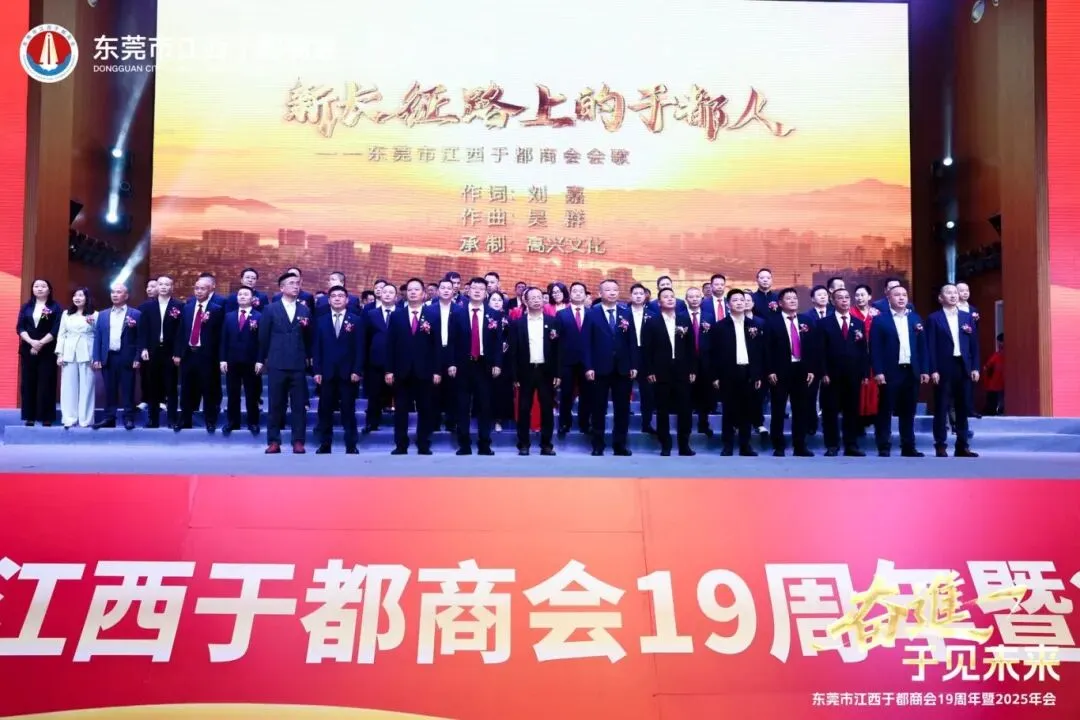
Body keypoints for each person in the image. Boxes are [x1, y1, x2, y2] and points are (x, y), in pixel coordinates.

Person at [870, 285, 928, 457]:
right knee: (885, 410)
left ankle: (908, 446)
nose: (901, 298)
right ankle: (884, 446)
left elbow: (922, 347)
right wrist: (878, 371)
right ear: (889, 298)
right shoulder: (880, 320)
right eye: (897, 295)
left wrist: (925, 370)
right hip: (890, 371)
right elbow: (875, 348)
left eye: (904, 295)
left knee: (908, 411)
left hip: (911, 371)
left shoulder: (915, 319)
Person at [385, 278, 442, 455]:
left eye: (416, 289)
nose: (413, 292)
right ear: (405, 293)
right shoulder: (397, 315)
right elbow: (390, 344)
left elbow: (437, 345)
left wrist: (437, 370)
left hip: (425, 370)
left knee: (426, 408)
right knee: (401, 409)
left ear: (423, 294)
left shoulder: (433, 315)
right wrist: (389, 370)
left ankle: (423, 443)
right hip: (402, 370)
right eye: (410, 290)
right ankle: (401, 444)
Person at [583, 279, 639, 456]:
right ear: (600, 293)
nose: (612, 293)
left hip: (622, 368)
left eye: (615, 289)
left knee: (622, 409)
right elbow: (586, 343)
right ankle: (597, 445)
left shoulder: (626, 312)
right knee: (598, 408)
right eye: (608, 290)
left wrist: (634, 364)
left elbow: (632, 340)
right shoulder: (591, 313)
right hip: (599, 368)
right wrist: (588, 367)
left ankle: (619, 445)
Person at [259, 272, 313, 454]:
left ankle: (298, 441)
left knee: (299, 405)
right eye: (291, 283)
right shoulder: (270, 309)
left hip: (298, 363)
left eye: (297, 283)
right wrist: (261, 359)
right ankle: (274, 441)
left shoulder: (304, 310)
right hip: (277, 362)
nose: (296, 286)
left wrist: (309, 357)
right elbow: (263, 337)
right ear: (282, 288)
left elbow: (308, 337)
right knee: (276, 404)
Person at [927, 283, 980, 457]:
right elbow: (931, 346)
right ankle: (940, 444)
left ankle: (962, 446)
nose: (953, 295)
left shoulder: (967, 317)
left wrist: (975, 367)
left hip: (963, 366)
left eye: (955, 292)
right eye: (949, 293)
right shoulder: (934, 318)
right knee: (941, 407)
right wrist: (933, 369)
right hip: (944, 367)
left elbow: (974, 345)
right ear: (940, 298)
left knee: (963, 407)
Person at [640, 287, 695, 456]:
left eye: (672, 296)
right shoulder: (652, 322)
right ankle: (665, 444)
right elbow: (647, 349)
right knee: (662, 409)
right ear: (659, 302)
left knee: (685, 409)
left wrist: (692, 369)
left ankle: (684, 445)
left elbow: (691, 347)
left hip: (682, 370)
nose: (670, 299)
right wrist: (649, 370)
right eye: (666, 297)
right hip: (660, 371)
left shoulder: (684, 319)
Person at [763, 287, 817, 457]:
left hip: (801, 370)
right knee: (778, 409)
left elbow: (812, 348)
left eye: (795, 298)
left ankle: (800, 446)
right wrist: (770, 370)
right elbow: (766, 349)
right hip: (780, 371)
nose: (793, 301)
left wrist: (811, 369)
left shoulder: (806, 320)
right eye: (789, 298)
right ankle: (778, 446)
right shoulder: (772, 322)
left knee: (801, 409)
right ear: (780, 303)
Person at [454, 277, 504, 455]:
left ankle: (484, 444)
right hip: (463, 365)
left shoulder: (494, 314)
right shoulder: (457, 313)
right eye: (474, 288)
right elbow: (452, 341)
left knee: (485, 405)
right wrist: (452, 363)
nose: (477, 291)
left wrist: (497, 363)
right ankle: (464, 444)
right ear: (468, 291)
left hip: (485, 365)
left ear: (485, 293)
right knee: (462, 405)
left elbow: (498, 342)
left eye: (481, 289)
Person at [312, 285, 364, 454]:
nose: (337, 298)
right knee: (325, 409)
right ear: (329, 300)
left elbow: (360, 348)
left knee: (348, 409)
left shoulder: (356, 320)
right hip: (326, 372)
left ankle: (351, 444)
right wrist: (317, 371)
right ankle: (325, 444)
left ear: (347, 300)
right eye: (333, 296)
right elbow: (316, 348)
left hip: (348, 373)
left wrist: (357, 370)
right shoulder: (321, 321)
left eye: (340, 295)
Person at [509, 287, 560, 455]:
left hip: (546, 371)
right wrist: (514, 375)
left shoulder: (553, 321)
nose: (537, 300)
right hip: (526, 371)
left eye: (539, 297)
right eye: (533, 298)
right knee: (524, 409)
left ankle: (546, 445)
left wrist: (558, 373)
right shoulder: (518, 323)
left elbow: (558, 350)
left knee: (547, 409)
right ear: (526, 301)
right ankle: (523, 444)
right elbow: (513, 352)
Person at [711, 289, 763, 456]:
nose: (740, 303)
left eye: (742, 299)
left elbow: (759, 353)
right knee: (729, 410)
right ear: (728, 304)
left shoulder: (754, 325)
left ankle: (745, 446)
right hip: (728, 373)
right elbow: (713, 353)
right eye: (735, 300)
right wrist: (715, 376)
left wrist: (757, 374)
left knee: (747, 410)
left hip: (748, 372)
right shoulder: (720, 326)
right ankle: (728, 445)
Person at [818, 288, 868, 456]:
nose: (844, 300)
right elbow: (820, 351)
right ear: (833, 301)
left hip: (853, 374)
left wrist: (864, 373)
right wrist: (823, 372)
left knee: (851, 410)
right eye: (840, 298)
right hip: (831, 375)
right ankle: (832, 445)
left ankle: (851, 445)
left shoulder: (858, 323)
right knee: (830, 410)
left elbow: (863, 350)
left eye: (847, 297)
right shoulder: (824, 323)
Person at [173, 274, 224, 433]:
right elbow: (181, 332)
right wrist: (177, 353)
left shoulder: (216, 309)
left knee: (208, 389)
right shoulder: (187, 307)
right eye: (196, 288)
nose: (199, 291)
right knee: (187, 388)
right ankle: (184, 419)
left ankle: (210, 420)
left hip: (207, 356)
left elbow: (220, 336)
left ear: (209, 291)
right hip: (189, 354)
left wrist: (221, 358)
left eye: (202, 289)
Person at [92, 282, 141, 430]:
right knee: (109, 389)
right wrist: (96, 357)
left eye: (119, 292)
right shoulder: (103, 314)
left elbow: (140, 338)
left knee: (128, 389)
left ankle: (128, 418)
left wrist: (137, 357)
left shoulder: (135, 314)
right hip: (108, 356)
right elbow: (98, 337)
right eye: (113, 292)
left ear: (126, 295)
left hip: (127, 357)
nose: (115, 295)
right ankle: (109, 418)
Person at [136, 274, 183, 428]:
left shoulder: (179, 306)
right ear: (156, 287)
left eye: (167, 284)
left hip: (170, 352)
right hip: (152, 351)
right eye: (160, 284)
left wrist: (178, 353)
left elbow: (181, 332)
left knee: (171, 386)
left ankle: (172, 419)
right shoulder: (146, 307)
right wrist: (143, 348)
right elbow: (142, 330)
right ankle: (153, 420)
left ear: (172, 287)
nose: (163, 287)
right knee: (152, 386)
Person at [16, 278, 61, 426]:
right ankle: (29, 416)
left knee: (46, 382)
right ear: (32, 289)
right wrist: (32, 342)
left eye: (43, 286)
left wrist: (40, 343)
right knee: (28, 383)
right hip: (28, 349)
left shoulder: (55, 307)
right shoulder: (26, 307)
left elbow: (56, 329)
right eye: (36, 286)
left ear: (49, 290)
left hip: (47, 350)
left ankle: (46, 416)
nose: (39, 289)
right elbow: (20, 327)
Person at [219, 286, 263, 436]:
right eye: (240, 294)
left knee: (252, 393)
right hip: (232, 360)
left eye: (246, 294)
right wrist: (223, 359)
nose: (242, 296)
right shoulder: (229, 316)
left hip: (251, 361)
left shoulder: (259, 316)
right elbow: (223, 339)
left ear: (252, 298)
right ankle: (233, 422)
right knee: (233, 393)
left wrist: (260, 360)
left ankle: (253, 422)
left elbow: (261, 341)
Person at [55, 287, 97, 428]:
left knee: (87, 387)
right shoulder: (66, 314)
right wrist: (60, 354)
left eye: (80, 295)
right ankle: (69, 418)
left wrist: (96, 357)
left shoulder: (95, 314)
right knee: (68, 386)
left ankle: (85, 420)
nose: (77, 298)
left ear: (87, 298)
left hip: (88, 352)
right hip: (69, 352)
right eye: (75, 295)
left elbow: (98, 335)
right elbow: (61, 334)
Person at [555, 282, 591, 437]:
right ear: (570, 294)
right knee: (566, 393)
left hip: (587, 361)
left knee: (587, 394)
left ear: (585, 295)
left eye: (581, 291)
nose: (578, 293)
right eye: (574, 291)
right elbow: (557, 340)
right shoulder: (561, 314)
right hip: (567, 361)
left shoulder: (592, 313)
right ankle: (565, 423)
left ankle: (585, 423)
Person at [361, 284, 397, 433]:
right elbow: (364, 338)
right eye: (385, 292)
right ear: (380, 295)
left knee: (399, 393)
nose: (387, 294)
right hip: (375, 360)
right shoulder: (371, 314)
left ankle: (400, 424)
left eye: (391, 292)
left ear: (396, 297)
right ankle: (372, 423)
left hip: (397, 361)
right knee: (374, 393)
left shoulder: (401, 313)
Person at [849, 284, 879, 431]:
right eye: (857, 295)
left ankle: (871, 417)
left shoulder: (876, 314)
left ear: (869, 297)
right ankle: (857, 421)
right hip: (857, 356)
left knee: (873, 387)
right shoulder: (850, 313)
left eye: (863, 295)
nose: (859, 298)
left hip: (874, 355)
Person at [628, 283, 655, 434]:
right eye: (635, 293)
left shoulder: (653, 314)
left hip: (647, 355)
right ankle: (623, 423)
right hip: (628, 355)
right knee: (624, 391)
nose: (638, 296)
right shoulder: (623, 314)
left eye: (641, 293)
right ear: (630, 296)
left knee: (648, 393)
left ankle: (647, 423)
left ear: (645, 296)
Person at [487, 291, 514, 431]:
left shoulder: (508, 319)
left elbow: (513, 338)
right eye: (494, 299)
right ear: (488, 302)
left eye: (499, 300)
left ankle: (499, 419)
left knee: (502, 390)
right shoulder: (485, 317)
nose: (497, 302)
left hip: (505, 359)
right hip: (487, 358)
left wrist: (507, 344)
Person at [982, 334, 1004, 415]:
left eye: (999, 342)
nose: (998, 344)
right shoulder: (999, 354)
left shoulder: (998, 355)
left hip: (996, 382)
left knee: (994, 396)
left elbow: (987, 366)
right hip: (997, 381)